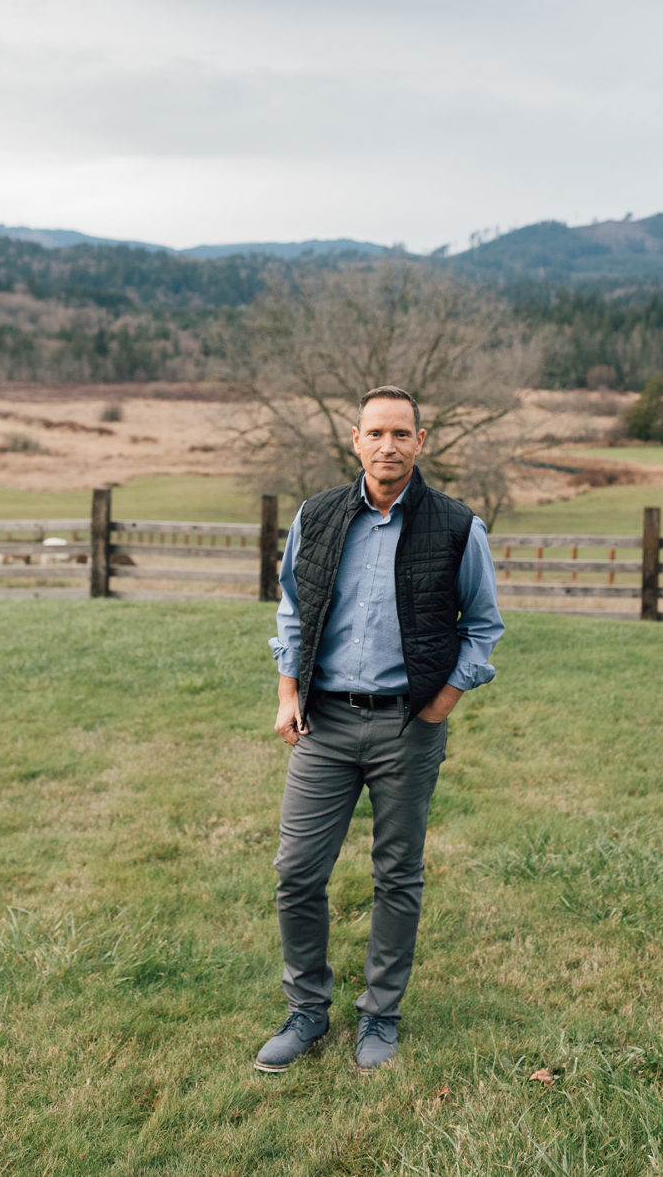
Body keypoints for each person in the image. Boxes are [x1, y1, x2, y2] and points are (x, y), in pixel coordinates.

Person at [255, 385, 504, 1074]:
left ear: (420, 442)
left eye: (401, 433)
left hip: (408, 726)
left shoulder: (457, 526)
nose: (387, 445)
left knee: (397, 875)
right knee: (297, 873)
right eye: (375, 433)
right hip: (325, 722)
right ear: (355, 441)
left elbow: (483, 628)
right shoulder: (318, 515)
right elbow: (293, 609)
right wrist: (286, 691)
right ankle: (307, 1011)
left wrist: (441, 703)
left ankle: (380, 1017)